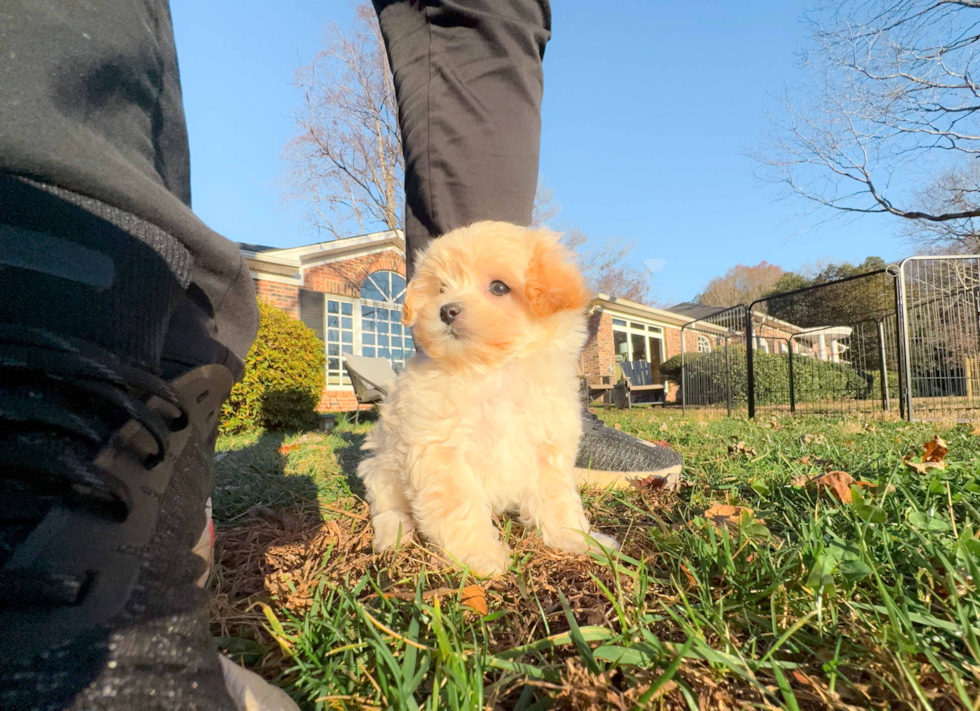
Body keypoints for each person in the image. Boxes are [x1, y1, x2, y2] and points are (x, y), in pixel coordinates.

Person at [0, 1, 680, 709]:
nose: (452, 306)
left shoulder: (547, 343)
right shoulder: (436, 379)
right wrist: (474, 551)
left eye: (497, 286)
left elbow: (544, 454)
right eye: (440, 289)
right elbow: (427, 460)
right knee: (398, 470)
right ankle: (69, 401)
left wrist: (561, 526)